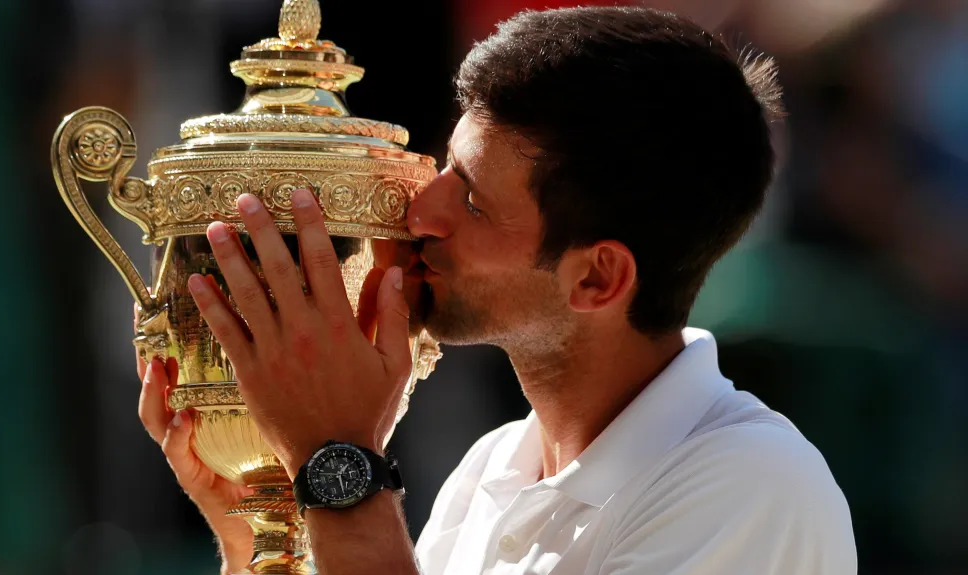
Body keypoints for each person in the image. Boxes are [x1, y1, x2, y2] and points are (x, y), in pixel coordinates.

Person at [136, 6, 857, 575]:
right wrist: (260, 532)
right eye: (448, 165)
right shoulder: (490, 469)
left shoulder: (754, 485)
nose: (421, 212)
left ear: (597, 277)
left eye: (474, 201)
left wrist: (338, 460)